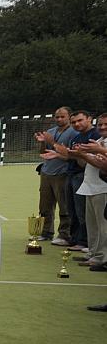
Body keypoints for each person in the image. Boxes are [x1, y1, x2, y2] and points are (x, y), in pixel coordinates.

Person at [41, 110, 99, 252]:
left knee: (81, 211)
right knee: (72, 210)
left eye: (80, 120)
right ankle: (74, 239)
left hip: (83, 176)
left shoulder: (95, 135)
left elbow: (86, 159)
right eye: (74, 122)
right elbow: (71, 157)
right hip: (71, 174)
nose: (77, 124)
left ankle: (85, 241)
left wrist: (54, 144)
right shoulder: (77, 137)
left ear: (89, 119)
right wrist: (57, 154)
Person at [33, 107, 76, 245]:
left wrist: (52, 143)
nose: (59, 119)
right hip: (46, 172)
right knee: (45, 206)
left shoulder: (73, 133)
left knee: (64, 206)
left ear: (69, 116)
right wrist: (42, 142)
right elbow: (43, 153)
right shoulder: (50, 132)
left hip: (63, 173)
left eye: (62, 117)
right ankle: (46, 232)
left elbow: (69, 155)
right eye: (57, 117)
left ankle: (64, 234)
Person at [71, 114, 107, 271]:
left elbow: (102, 165)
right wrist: (77, 154)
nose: (102, 127)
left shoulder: (100, 145)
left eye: (106, 124)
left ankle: (102, 257)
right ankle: (92, 253)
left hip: (103, 188)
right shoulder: (98, 141)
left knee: (103, 227)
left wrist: (93, 152)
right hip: (90, 187)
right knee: (93, 226)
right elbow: (85, 163)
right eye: (100, 124)